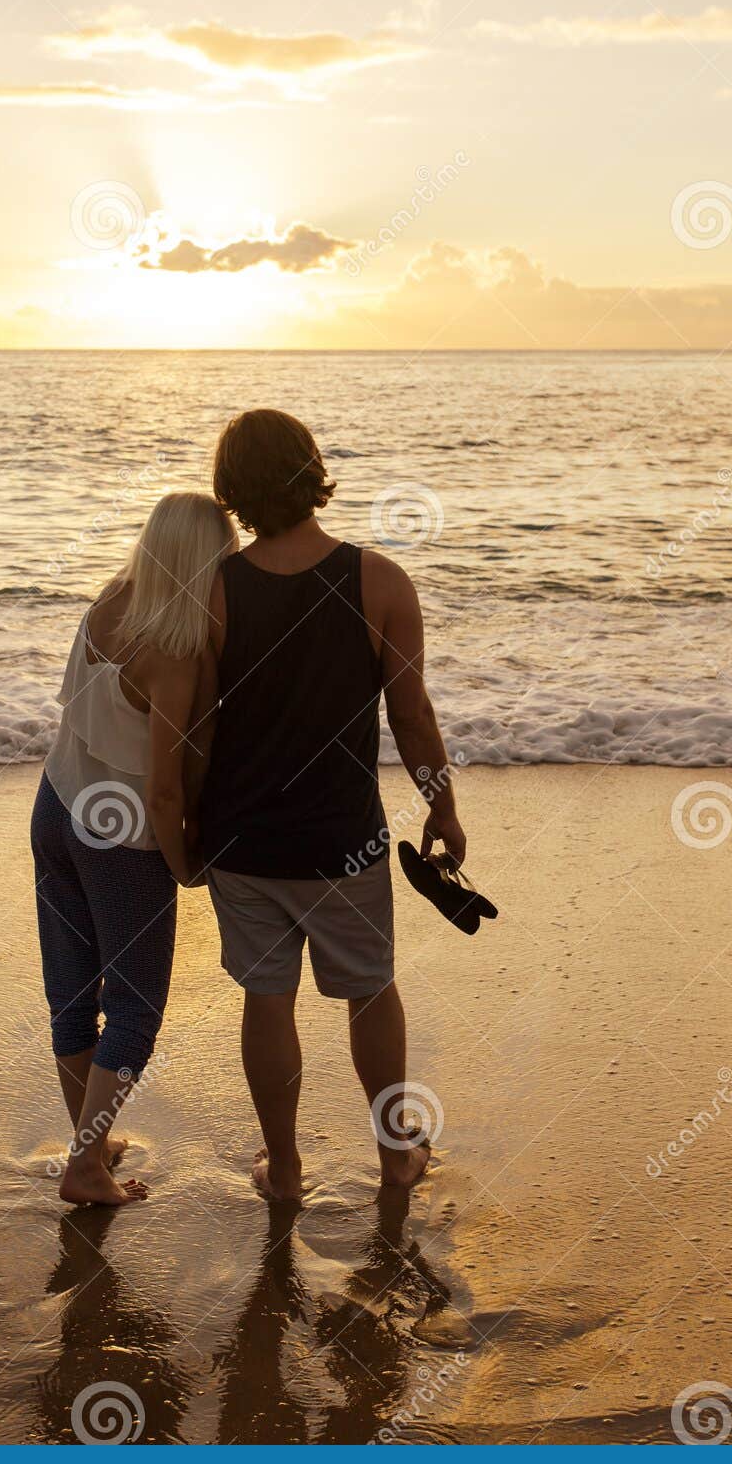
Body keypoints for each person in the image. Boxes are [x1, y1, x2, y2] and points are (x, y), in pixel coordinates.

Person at [199, 410, 466, 1201]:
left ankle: (282, 1169)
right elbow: (411, 717)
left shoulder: (212, 589)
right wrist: (440, 809)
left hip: (241, 839)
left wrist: (180, 823)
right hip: (341, 840)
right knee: (370, 991)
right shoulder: (377, 579)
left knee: (266, 998)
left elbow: (191, 725)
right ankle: (392, 1159)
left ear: (233, 490)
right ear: (311, 470)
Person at [31, 492, 236, 1207]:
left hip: (54, 807)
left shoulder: (108, 600)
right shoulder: (174, 652)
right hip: (115, 835)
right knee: (136, 1007)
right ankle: (86, 1169)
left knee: (71, 991)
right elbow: (164, 793)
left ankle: (90, 1139)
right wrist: (183, 866)